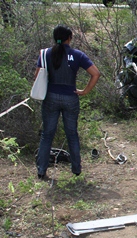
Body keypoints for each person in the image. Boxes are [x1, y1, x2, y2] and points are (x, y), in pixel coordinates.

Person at [35, 25, 100, 180]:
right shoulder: (77, 55)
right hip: (71, 98)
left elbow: (37, 76)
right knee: (72, 134)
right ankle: (76, 170)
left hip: (50, 97)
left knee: (47, 135)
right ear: (69, 38)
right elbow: (95, 74)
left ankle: (41, 170)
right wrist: (85, 91)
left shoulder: (45, 54)